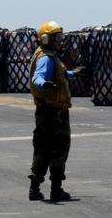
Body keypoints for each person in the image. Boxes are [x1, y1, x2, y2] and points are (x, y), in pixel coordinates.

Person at [28, 21, 83, 202]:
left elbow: (58, 74)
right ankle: (56, 189)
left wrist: (73, 74)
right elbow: (38, 77)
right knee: (59, 148)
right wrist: (43, 84)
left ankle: (34, 189)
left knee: (42, 148)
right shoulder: (46, 58)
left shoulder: (48, 55)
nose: (61, 41)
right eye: (58, 38)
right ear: (46, 39)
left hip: (45, 110)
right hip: (55, 112)